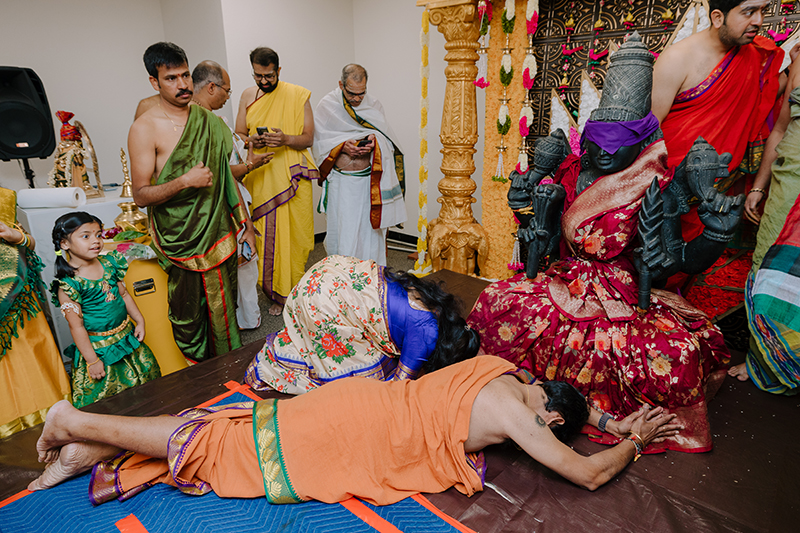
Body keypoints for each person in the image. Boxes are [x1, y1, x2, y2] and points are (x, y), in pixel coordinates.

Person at [468, 34, 732, 454]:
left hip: (624, 290)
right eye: (599, 138)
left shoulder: (652, 186)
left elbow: (671, 261)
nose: (607, 150)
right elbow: (547, 238)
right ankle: (505, 385)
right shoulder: (573, 174)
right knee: (498, 298)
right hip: (566, 278)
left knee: (678, 351)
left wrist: (716, 235)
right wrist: (529, 214)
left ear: (643, 140)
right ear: (586, 137)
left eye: (620, 138)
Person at [28, 356, 682, 506]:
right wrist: (633, 440)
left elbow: (569, 407)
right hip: (361, 436)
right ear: (548, 416)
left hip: (358, 404)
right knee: (222, 449)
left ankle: (82, 449)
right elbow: (589, 472)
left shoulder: (509, 374)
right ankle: (73, 419)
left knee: (237, 425)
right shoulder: (524, 415)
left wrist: (610, 419)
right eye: (550, 425)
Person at [128, 42, 254, 362]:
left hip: (217, 231)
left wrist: (247, 225)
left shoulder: (209, 121)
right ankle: (197, 379)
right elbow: (140, 195)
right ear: (154, 82)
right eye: (171, 78)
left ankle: (231, 374)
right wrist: (185, 181)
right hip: (178, 238)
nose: (183, 84)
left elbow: (226, 177)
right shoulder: (145, 128)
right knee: (189, 319)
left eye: (185, 75)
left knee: (225, 310)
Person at [245, 254, 480, 394]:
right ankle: (272, 365)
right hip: (321, 301)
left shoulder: (434, 304)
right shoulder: (426, 336)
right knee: (368, 386)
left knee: (383, 358)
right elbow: (398, 390)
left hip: (328, 272)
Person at [652, 0, 785, 242]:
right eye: (748, 12)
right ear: (717, 17)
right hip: (670, 191)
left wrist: (792, 71)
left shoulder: (755, 55)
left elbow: (761, 98)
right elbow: (650, 132)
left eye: (762, 11)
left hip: (718, 193)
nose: (759, 21)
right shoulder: (677, 59)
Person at [728, 59, 800, 392]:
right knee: (767, 268)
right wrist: (758, 186)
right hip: (789, 183)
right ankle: (764, 360)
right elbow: (781, 129)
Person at [235, 47, 319, 316]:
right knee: (266, 236)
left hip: (292, 175)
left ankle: (295, 291)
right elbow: (239, 133)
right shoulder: (248, 96)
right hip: (262, 174)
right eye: (258, 76)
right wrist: (252, 140)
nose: (264, 81)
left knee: (297, 237)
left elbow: (308, 138)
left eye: (269, 75)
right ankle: (276, 293)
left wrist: (285, 140)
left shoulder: (298, 94)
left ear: (278, 71)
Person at [191, 60, 271, 330]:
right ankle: (247, 320)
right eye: (227, 90)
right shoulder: (205, 122)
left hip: (216, 203)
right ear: (211, 87)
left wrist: (248, 144)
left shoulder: (204, 118)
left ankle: (232, 320)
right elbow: (224, 171)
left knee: (234, 264)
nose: (228, 95)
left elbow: (231, 152)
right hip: (226, 201)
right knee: (245, 262)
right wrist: (252, 165)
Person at [49, 212, 160, 408]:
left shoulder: (109, 264)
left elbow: (124, 295)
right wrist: (92, 361)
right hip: (100, 350)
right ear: (64, 244)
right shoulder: (69, 285)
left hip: (127, 338)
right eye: (86, 236)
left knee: (146, 388)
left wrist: (139, 320)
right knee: (113, 401)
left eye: (98, 235)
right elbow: (77, 328)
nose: (96, 241)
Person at [312, 64, 406, 265]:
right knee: (344, 232)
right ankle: (343, 279)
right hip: (342, 183)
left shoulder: (373, 105)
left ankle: (371, 280)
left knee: (369, 233)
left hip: (368, 185)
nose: (356, 99)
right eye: (351, 93)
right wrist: (343, 147)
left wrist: (374, 142)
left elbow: (388, 141)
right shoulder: (328, 105)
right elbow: (319, 142)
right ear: (341, 85)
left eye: (361, 94)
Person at [0, 188, 70, 438]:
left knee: (31, 363)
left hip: (16, 301)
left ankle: (49, 420)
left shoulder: (2, 199)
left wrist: (15, 236)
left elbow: (28, 242)